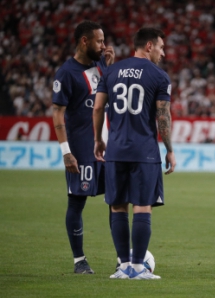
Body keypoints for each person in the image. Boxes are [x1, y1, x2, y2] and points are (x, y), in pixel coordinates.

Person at [93, 27, 176, 280]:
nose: (163, 53)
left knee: (118, 208)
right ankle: (139, 268)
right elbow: (163, 116)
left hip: (116, 150)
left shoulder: (112, 71)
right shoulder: (159, 77)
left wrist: (98, 139)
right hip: (145, 152)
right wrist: (170, 149)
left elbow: (97, 109)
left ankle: (122, 267)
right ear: (149, 46)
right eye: (161, 47)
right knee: (142, 207)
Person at [52, 20, 115, 274]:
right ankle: (79, 260)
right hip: (81, 150)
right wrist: (66, 152)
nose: (104, 45)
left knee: (117, 201)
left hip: (108, 149)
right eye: (99, 41)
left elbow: (107, 99)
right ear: (84, 41)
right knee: (76, 204)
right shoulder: (66, 73)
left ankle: (123, 258)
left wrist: (109, 69)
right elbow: (58, 115)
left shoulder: (101, 66)